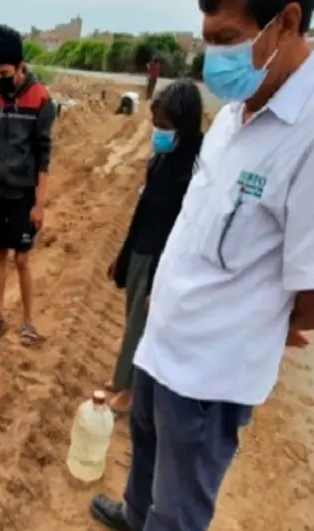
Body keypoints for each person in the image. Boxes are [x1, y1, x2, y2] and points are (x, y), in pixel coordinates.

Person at [90, 0, 314, 531]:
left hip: (212, 371)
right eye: (208, 38)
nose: (214, 56)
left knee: (183, 494)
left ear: (287, 21)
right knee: (144, 440)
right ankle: (134, 517)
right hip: (165, 338)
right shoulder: (236, 113)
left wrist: (269, 319)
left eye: (228, 37)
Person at [104, 80, 204, 416]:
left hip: (162, 257)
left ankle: (132, 393)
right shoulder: (164, 156)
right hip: (141, 249)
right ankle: (122, 382)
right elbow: (144, 207)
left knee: (142, 327)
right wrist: (123, 253)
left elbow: (185, 226)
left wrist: (165, 274)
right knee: (132, 320)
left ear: (183, 124)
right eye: (154, 122)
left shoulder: (196, 166)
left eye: (162, 125)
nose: (155, 129)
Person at [0, 24, 57, 346]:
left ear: (20, 66)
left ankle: (28, 321)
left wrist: (40, 202)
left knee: (22, 259)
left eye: (5, 72)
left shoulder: (40, 98)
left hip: (23, 193)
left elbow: (44, 154)